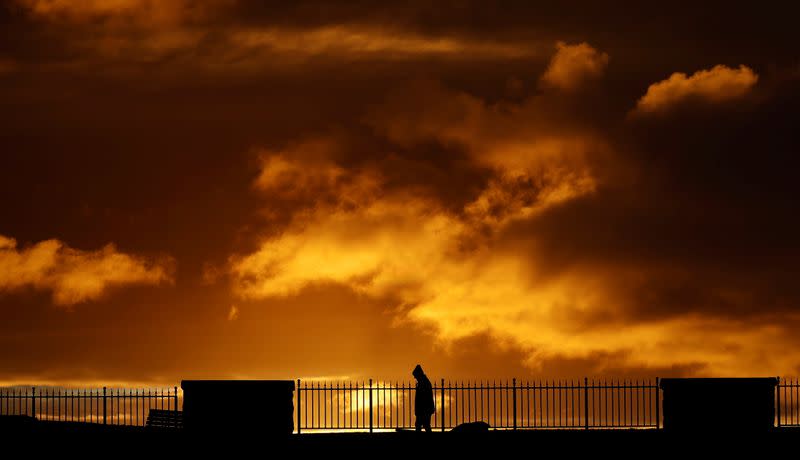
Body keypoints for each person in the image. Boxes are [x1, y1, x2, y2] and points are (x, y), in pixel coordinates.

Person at [412, 364, 435, 432]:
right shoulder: (424, 381)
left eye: (415, 376)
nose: (415, 378)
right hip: (424, 409)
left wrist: (419, 409)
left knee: (423, 425)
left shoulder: (423, 383)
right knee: (424, 425)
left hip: (424, 409)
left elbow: (422, 398)